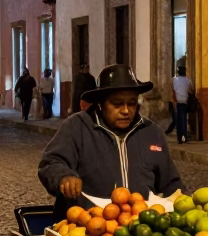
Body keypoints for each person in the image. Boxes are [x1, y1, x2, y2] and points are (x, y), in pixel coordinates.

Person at [38, 64, 185, 216]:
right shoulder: (76, 126)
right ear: (100, 104)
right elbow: (51, 163)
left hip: (141, 227)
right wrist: (63, 177)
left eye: (132, 103)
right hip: (88, 225)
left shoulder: (152, 132)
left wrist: (183, 204)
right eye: (117, 104)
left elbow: (171, 183)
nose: (126, 110)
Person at [170, 66, 193, 144]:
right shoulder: (188, 80)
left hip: (177, 102)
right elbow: (191, 90)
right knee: (184, 120)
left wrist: (174, 101)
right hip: (184, 102)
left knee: (178, 121)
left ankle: (179, 138)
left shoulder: (174, 80)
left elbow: (173, 92)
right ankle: (184, 137)